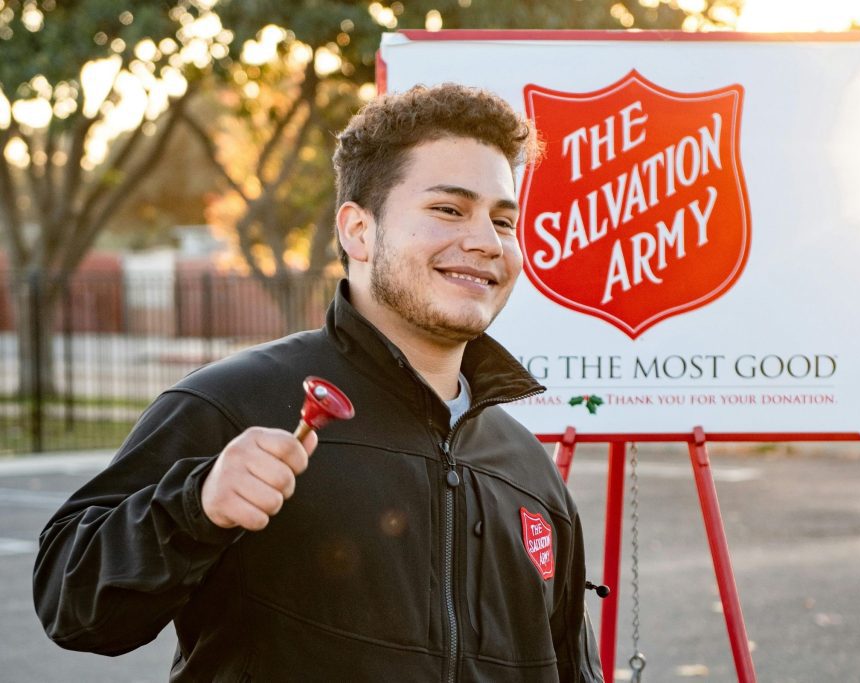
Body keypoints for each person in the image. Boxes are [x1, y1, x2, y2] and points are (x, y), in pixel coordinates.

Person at [33, 83, 603, 681]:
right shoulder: (233, 404)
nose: (486, 242)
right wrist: (195, 507)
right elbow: (73, 608)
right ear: (358, 230)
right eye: (448, 209)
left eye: (504, 220)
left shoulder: (530, 471)